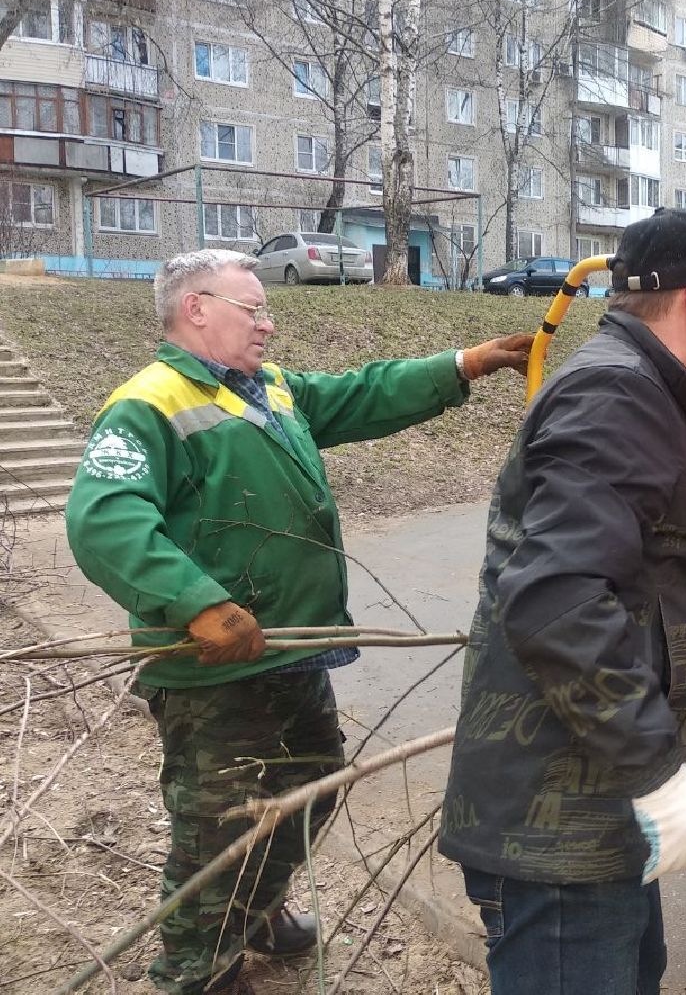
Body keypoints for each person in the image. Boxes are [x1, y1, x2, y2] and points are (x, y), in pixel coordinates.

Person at [65, 248, 531, 995]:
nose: (269, 324)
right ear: (197, 308)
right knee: (219, 826)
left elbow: (355, 396)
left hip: (290, 650)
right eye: (255, 310)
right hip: (214, 668)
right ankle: (195, 969)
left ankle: (255, 911)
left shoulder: (266, 389)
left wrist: (460, 365)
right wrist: (197, 603)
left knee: (309, 787)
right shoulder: (146, 406)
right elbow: (106, 522)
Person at [439, 208, 686, 994]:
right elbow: (556, 597)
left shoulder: (639, 388)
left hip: (592, 819)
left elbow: (617, 556)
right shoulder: (618, 399)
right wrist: (658, 770)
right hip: (559, 833)